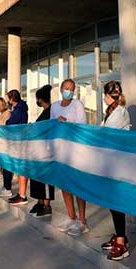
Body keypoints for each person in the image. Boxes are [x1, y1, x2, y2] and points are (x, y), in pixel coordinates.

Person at [51, 79, 89, 236]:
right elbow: (51, 125)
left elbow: (82, 126)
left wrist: (66, 122)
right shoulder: (54, 106)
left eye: (71, 89)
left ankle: (82, 220)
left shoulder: (77, 105)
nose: (69, 91)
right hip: (61, 151)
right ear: (61, 89)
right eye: (66, 88)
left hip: (75, 151)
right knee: (65, 186)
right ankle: (71, 217)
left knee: (77, 186)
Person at [100, 81, 131, 261]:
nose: (104, 98)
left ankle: (122, 242)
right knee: (112, 202)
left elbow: (106, 135)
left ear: (109, 95)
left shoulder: (120, 113)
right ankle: (119, 235)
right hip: (110, 162)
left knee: (116, 202)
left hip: (118, 164)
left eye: (105, 94)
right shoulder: (112, 111)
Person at [28, 84, 55, 218]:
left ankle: (46, 205)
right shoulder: (45, 112)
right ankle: (39, 201)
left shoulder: (51, 111)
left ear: (40, 99)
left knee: (45, 179)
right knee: (37, 178)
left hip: (46, 151)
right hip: (38, 151)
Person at [6, 89, 29, 206]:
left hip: (19, 141)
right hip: (19, 140)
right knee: (19, 169)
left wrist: (7, 122)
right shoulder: (20, 108)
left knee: (21, 169)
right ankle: (21, 193)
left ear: (11, 99)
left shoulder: (19, 110)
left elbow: (11, 123)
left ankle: (22, 195)